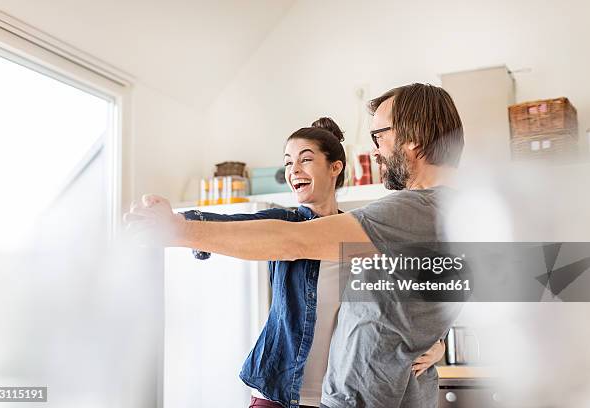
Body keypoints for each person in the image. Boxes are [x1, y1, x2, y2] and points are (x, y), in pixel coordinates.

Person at [125, 83, 465, 408]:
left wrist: (178, 231)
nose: (375, 150)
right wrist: (431, 340)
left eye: (379, 136)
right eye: (288, 162)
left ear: (414, 137)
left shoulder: (409, 211)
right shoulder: (461, 216)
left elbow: (292, 242)